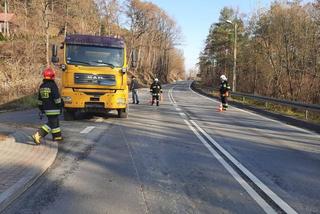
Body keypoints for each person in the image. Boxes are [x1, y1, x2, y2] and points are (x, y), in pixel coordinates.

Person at [32, 67, 63, 145]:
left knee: (55, 121)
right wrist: (61, 105)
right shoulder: (52, 85)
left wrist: (41, 109)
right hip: (54, 108)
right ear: (52, 76)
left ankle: (57, 136)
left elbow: (39, 100)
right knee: (52, 123)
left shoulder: (42, 86)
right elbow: (56, 98)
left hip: (46, 109)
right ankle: (38, 134)